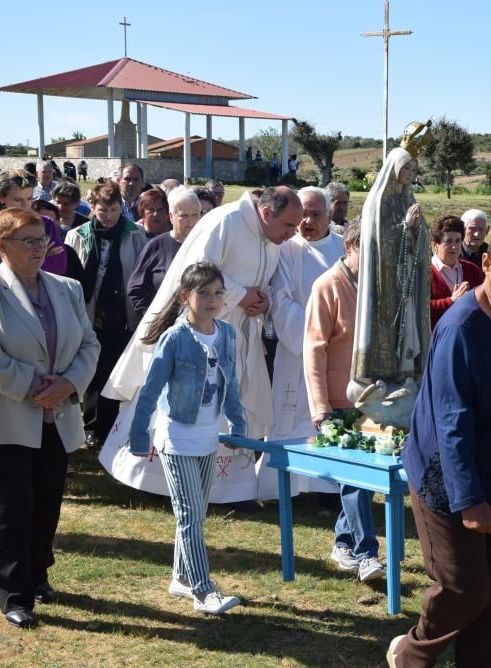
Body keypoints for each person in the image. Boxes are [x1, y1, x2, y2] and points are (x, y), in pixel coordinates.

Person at [388, 220, 491, 667]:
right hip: (452, 482)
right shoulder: (462, 328)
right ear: (486, 265)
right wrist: (470, 501)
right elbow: (452, 421)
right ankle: (411, 655)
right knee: (467, 590)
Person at [100, 187, 302, 503]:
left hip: (238, 335)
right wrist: (240, 294)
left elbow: (260, 283)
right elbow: (196, 273)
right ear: (266, 213)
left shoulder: (272, 239)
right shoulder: (227, 221)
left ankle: (226, 489)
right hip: (197, 333)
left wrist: (262, 300)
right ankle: (159, 481)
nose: (291, 235)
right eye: (288, 226)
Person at [0, 207, 99, 629]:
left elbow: (89, 345)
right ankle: (14, 593)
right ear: (1, 245)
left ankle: (38, 575)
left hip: (55, 413)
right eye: (28, 241)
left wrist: (69, 384)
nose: (39, 249)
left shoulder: (68, 288)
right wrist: (36, 387)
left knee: (46, 503)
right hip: (2, 415)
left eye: (43, 239)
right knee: (11, 508)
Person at [129, 262, 246, 614]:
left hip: (208, 438)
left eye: (218, 293)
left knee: (195, 512)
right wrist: (139, 437)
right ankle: (202, 589)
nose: (212, 300)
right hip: (177, 438)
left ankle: (181, 576)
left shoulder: (226, 334)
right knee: (190, 515)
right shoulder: (176, 338)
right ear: (185, 297)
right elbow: (149, 391)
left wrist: (238, 427)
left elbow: (232, 385)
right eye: (203, 293)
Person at [302, 221, 385, 579]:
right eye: (368, 251)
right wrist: (320, 407)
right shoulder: (327, 286)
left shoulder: (376, 288)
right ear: (349, 246)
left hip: (371, 400)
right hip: (337, 401)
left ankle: (342, 543)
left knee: (363, 483)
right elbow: (313, 350)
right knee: (355, 480)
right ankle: (367, 553)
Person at [256, 187, 343, 499]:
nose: (307, 221)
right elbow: (280, 300)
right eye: (302, 214)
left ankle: (327, 487)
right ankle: (286, 487)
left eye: (315, 214)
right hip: (296, 354)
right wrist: (314, 335)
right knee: (288, 418)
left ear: (329, 216)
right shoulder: (287, 249)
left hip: (335, 353)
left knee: (328, 417)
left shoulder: (344, 250)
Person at [350, 144, 431, 425]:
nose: (409, 173)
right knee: (386, 330)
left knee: (408, 329)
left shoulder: (407, 200)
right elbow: (380, 239)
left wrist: (418, 229)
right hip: (384, 284)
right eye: (405, 168)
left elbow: (422, 241)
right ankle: (381, 380)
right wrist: (405, 227)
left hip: (404, 280)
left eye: (413, 169)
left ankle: (403, 375)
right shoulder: (378, 201)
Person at [66, 182, 148, 447]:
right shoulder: (78, 235)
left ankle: (110, 425)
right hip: (89, 312)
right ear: (93, 207)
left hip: (121, 314)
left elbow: (139, 273)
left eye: (114, 210)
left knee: (114, 370)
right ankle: (91, 426)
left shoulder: (135, 234)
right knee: (92, 371)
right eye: (103, 210)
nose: (109, 216)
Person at [128, 187, 204, 318]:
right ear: (171, 216)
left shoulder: (206, 244)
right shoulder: (156, 246)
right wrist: (151, 318)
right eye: (184, 216)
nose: (190, 222)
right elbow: (136, 288)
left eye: (195, 215)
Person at [0, 170, 67, 276]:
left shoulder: (46, 224)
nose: (25, 205)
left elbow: (58, 268)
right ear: (0, 197)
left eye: (29, 198)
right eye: (17, 200)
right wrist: (42, 257)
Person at [429, 215, 484, 329]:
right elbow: (419, 311)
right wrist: (451, 301)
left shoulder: (473, 270)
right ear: (435, 245)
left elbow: (486, 303)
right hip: (436, 341)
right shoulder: (425, 273)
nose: (454, 247)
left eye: (458, 241)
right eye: (448, 241)